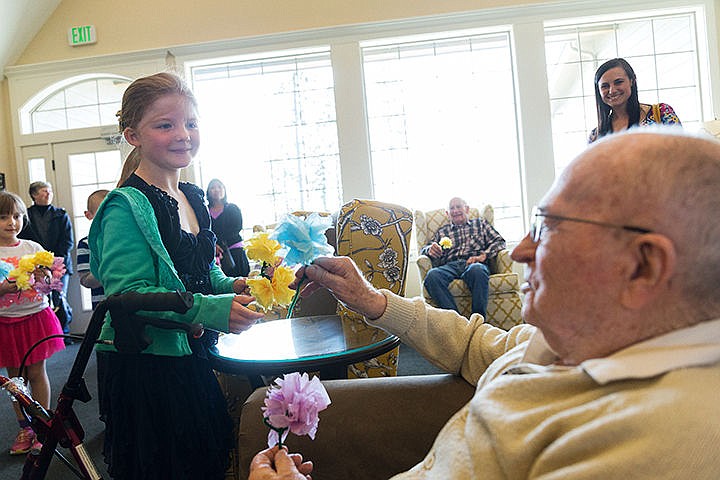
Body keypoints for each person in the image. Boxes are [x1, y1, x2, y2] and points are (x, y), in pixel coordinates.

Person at [249, 129, 720, 479]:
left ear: (643, 266)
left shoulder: (645, 444)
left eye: (550, 227)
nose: (519, 252)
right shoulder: (581, 338)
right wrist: (371, 300)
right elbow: (478, 343)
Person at [88, 72, 264, 480]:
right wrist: (211, 309)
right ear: (133, 135)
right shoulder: (124, 208)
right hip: (150, 369)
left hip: (195, 356)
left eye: (191, 123)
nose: (183, 134)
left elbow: (203, 273)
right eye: (165, 125)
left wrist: (234, 287)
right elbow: (128, 296)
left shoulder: (195, 197)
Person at [0, 191, 65, 455]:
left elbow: (49, 284)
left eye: (16, 216)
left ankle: (43, 427)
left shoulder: (32, 248)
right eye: (3, 217)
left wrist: (44, 276)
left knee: (37, 373)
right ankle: (24, 428)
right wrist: (6, 287)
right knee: (16, 380)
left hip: (36, 317)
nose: (11, 222)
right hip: (6, 323)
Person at [420, 197, 505, 317]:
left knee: (478, 270)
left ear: (467, 209)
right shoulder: (442, 232)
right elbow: (424, 249)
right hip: (450, 265)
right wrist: (430, 250)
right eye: (452, 208)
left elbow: (499, 242)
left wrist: (483, 256)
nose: (455, 211)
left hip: (474, 263)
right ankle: (457, 321)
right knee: (432, 276)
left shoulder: (480, 224)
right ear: (447, 214)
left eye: (458, 206)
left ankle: (477, 320)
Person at [18, 181, 74, 336]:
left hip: (60, 265)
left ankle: (64, 332)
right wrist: (38, 264)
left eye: (50, 191)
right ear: (34, 195)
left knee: (59, 297)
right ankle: (46, 334)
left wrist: (53, 262)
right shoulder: (25, 216)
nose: (49, 193)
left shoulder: (61, 215)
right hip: (33, 267)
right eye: (44, 191)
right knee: (40, 299)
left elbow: (67, 242)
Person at [588, 57, 681, 143]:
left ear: (632, 81)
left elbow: (683, 151)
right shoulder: (595, 136)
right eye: (605, 86)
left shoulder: (662, 113)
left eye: (618, 82)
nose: (612, 91)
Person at [207, 178, 250, 277]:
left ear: (224, 190)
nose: (216, 190)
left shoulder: (233, 208)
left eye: (219, 187)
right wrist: (213, 245)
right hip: (215, 255)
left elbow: (236, 229)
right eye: (212, 187)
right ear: (208, 192)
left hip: (235, 252)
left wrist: (218, 243)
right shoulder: (205, 211)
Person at [77, 189, 109, 310]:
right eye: (101, 212)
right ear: (88, 215)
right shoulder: (85, 244)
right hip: (103, 307)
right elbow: (85, 280)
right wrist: (110, 270)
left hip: (130, 302)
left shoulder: (126, 240)